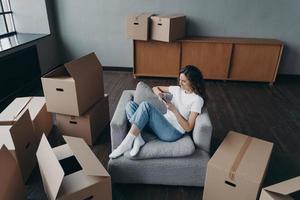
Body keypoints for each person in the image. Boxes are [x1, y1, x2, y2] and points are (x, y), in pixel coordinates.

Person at [109, 65, 207, 158]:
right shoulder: (177, 89)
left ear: (193, 82)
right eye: (180, 80)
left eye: (184, 81)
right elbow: (155, 88)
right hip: (162, 124)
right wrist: (160, 94)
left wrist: (174, 110)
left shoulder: (197, 100)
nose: (180, 83)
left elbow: (188, 127)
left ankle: (126, 143)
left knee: (145, 106)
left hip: (172, 132)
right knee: (130, 105)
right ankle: (138, 138)